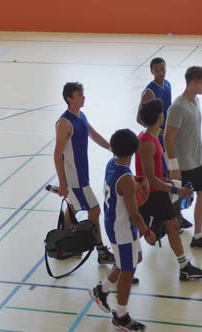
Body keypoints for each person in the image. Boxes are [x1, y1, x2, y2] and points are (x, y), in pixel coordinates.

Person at [89, 129, 156, 331]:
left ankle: (102, 290)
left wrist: (136, 181)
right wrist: (148, 232)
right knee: (128, 269)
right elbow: (134, 213)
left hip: (117, 223)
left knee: (133, 260)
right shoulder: (126, 180)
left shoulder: (113, 164)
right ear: (134, 151)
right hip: (122, 228)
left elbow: (123, 187)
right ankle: (121, 316)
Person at [136, 99, 202, 280]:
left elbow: (156, 175)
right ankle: (121, 265)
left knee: (172, 225)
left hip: (158, 193)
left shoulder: (154, 138)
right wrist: (175, 190)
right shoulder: (146, 142)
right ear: (158, 117)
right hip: (148, 196)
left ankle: (184, 267)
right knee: (136, 230)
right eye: (162, 113)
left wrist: (169, 180)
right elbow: (150, 178)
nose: (164, 116)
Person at [53, 82, 115, 264]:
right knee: (95, 210)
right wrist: (63, 183)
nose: (83, 97)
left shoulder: (81, 116)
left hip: (81, 175)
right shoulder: (64, 123)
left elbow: (94, 135)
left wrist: (113, 148)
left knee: (71, 208)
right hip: (76, 179)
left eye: (82, 94)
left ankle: (64, 246)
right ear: (69, 99)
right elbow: (57, 155)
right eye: (79, 95)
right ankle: (102, 252)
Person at [164, 66, 202, 249]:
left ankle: (198, 235)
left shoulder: (195, 101)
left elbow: (193, 129)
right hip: (184, 165)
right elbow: (167, 137)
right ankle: (168, 232)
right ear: (192, 83)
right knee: (174, 202)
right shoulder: (178, 107)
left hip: (198, 160)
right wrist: (174, 166)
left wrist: (201, 146)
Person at [137, 57, 193, 231]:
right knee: (163, 177)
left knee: (174, 175)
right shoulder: (149, 93)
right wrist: (160, 132)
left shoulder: (167, 84)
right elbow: (140, 118)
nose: (161, 72)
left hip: (167, 140)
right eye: (158, 70)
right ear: (152, 71)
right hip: (158, 140)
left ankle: (177, 215)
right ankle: (166, 219)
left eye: (163, 69)